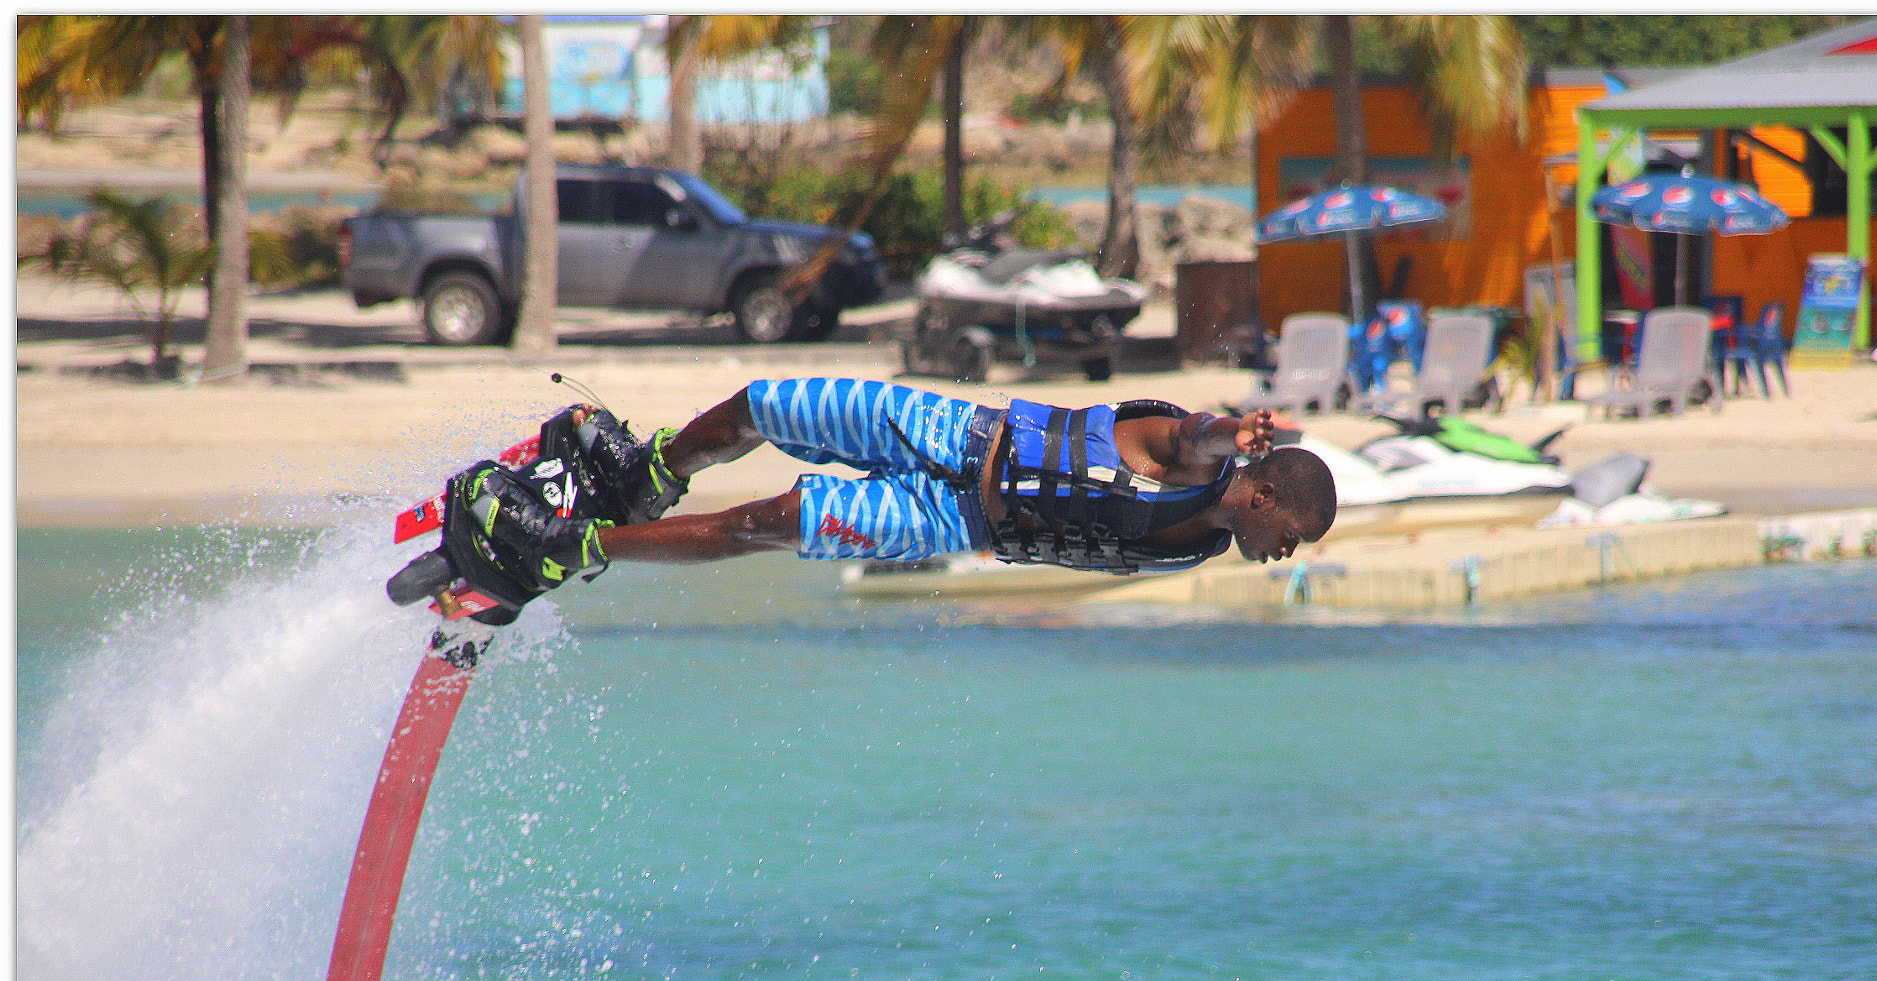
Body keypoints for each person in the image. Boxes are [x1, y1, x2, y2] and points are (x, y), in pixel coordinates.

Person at [433, 378, 1337, 614]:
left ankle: (569, 547)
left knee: (772, 524)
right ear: (1263, 496)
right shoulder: (1194, 456)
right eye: (1289, 536)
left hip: (960, 518)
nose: (1281, 555)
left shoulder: (1198, 543)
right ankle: (653, 471)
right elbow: (1192, 438)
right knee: (766, 407)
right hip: (962, 435)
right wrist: (1234, 435)